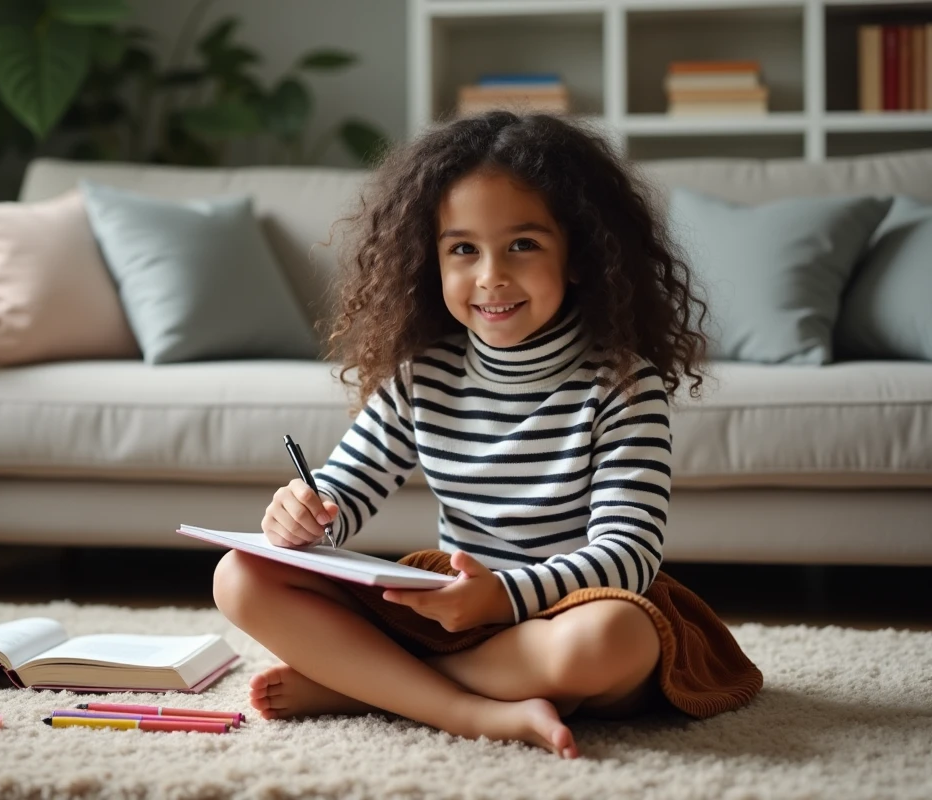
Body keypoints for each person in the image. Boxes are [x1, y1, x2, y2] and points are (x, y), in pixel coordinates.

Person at [211, 110, 763, 759]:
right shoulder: (422, 378)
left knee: (612, 639)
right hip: (453, 610)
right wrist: (303, 515)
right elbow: (341, 495)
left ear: (580, 255)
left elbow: (627, 554)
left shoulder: (622, 385)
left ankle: (369, 688)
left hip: (571, 608)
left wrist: (503, 596)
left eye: (522, 245)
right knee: (239, 574)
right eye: (464, 249)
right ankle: (467, 708)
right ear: (430, 258)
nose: (491, 275)